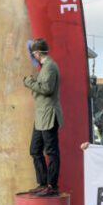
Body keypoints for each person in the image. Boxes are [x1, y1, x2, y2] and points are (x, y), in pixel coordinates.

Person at [24, 38, 62, 195]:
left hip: (48, 115)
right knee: (35, 149)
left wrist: (29, 82)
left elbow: (46, 88)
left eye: (34, 54)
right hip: (41, 116)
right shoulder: (45, 67)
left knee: (51, 152)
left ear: (38, 53)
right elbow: (43, 85)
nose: (34, 57)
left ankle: (52, 186)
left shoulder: (50, 67)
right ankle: (43, 183)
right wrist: (34, 81)